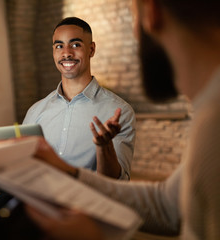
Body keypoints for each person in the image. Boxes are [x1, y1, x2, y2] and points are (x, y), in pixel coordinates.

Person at [24, 0, 220, 239]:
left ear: (152, 12)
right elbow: (168, 206)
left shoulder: (214, 124)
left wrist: (95, 234)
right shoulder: (209, 112)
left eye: (132, 12)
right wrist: (70, 173)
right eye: (59, 46)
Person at [23, 17, 136, 179]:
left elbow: (116, 183)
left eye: (75, 45)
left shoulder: (119, 112)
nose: (66, 53)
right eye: (59, 46)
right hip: (40, 199)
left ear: (91, 50)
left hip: (87, 202)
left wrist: (104, 147)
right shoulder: (35, 111)